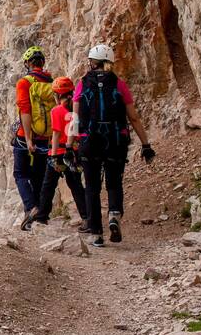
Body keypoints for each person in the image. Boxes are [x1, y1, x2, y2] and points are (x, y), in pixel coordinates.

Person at [72, 43, 156, 247]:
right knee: (114, 182)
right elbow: (133, 117)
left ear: (93, 62)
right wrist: (146, 144)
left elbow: (74, 118)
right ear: (109, 62)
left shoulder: (82, 83)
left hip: (89, 141)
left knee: (91, 187)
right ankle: (114, 215)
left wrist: (69, 145)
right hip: (115, 141)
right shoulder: (119, 84)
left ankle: (96, 234)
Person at [35, 77, 88, 229]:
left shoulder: (56, 110)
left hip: (58, 152)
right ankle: (86, 218)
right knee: (76, 185)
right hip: (74, 151)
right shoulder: (77, 108)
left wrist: (52, 156)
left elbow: (56, 134)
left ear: (57, 95)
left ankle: (42, 217)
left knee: (48, 185)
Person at [15, 46, 57, 231]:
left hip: (27, 137)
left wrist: (29, 139)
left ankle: (31, 207)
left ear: (28, 63)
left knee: (20, 174)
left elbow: (25, 110)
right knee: (39, 176)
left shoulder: (25, 82)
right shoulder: (51, 82)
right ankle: (41, 217)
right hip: (46, 137)